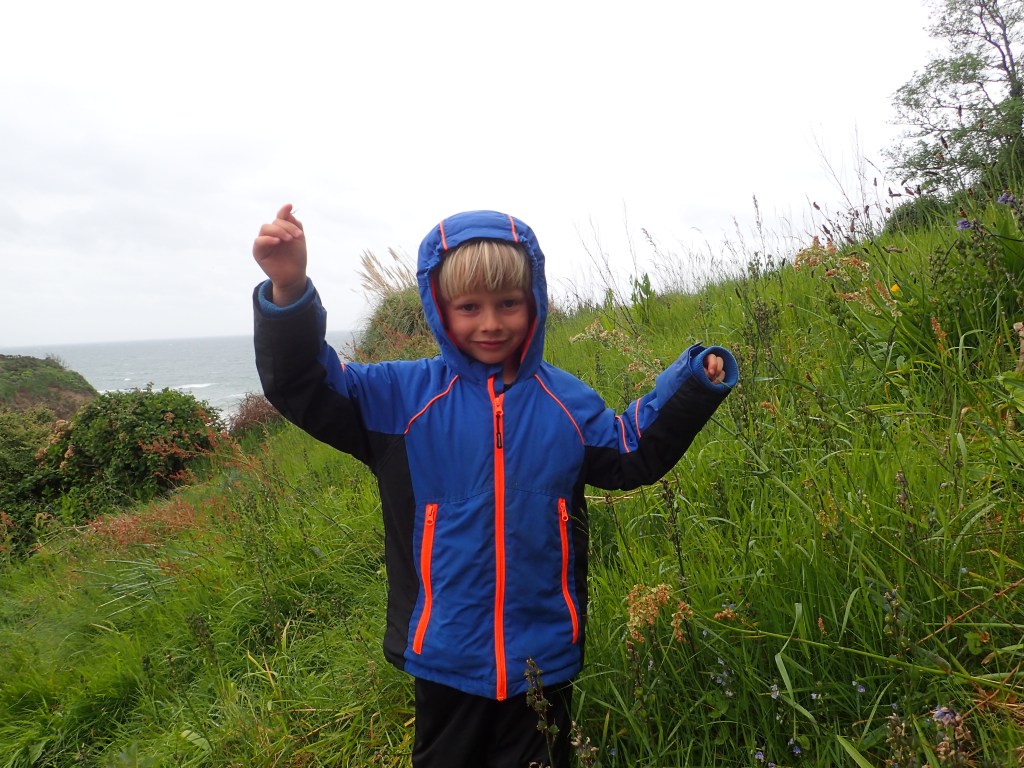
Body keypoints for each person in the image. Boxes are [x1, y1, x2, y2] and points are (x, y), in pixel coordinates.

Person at [251, 204, 738, 767]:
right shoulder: (398, 398)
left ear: (534, 301)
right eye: (469, 307)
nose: (490, 323)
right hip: (446, 651)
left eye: (508, 303)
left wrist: (692, 386)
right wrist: (288, 289)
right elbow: (303, 382)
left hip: (543, 651)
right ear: (439, 308)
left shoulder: (567, 403)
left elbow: (631, 452)